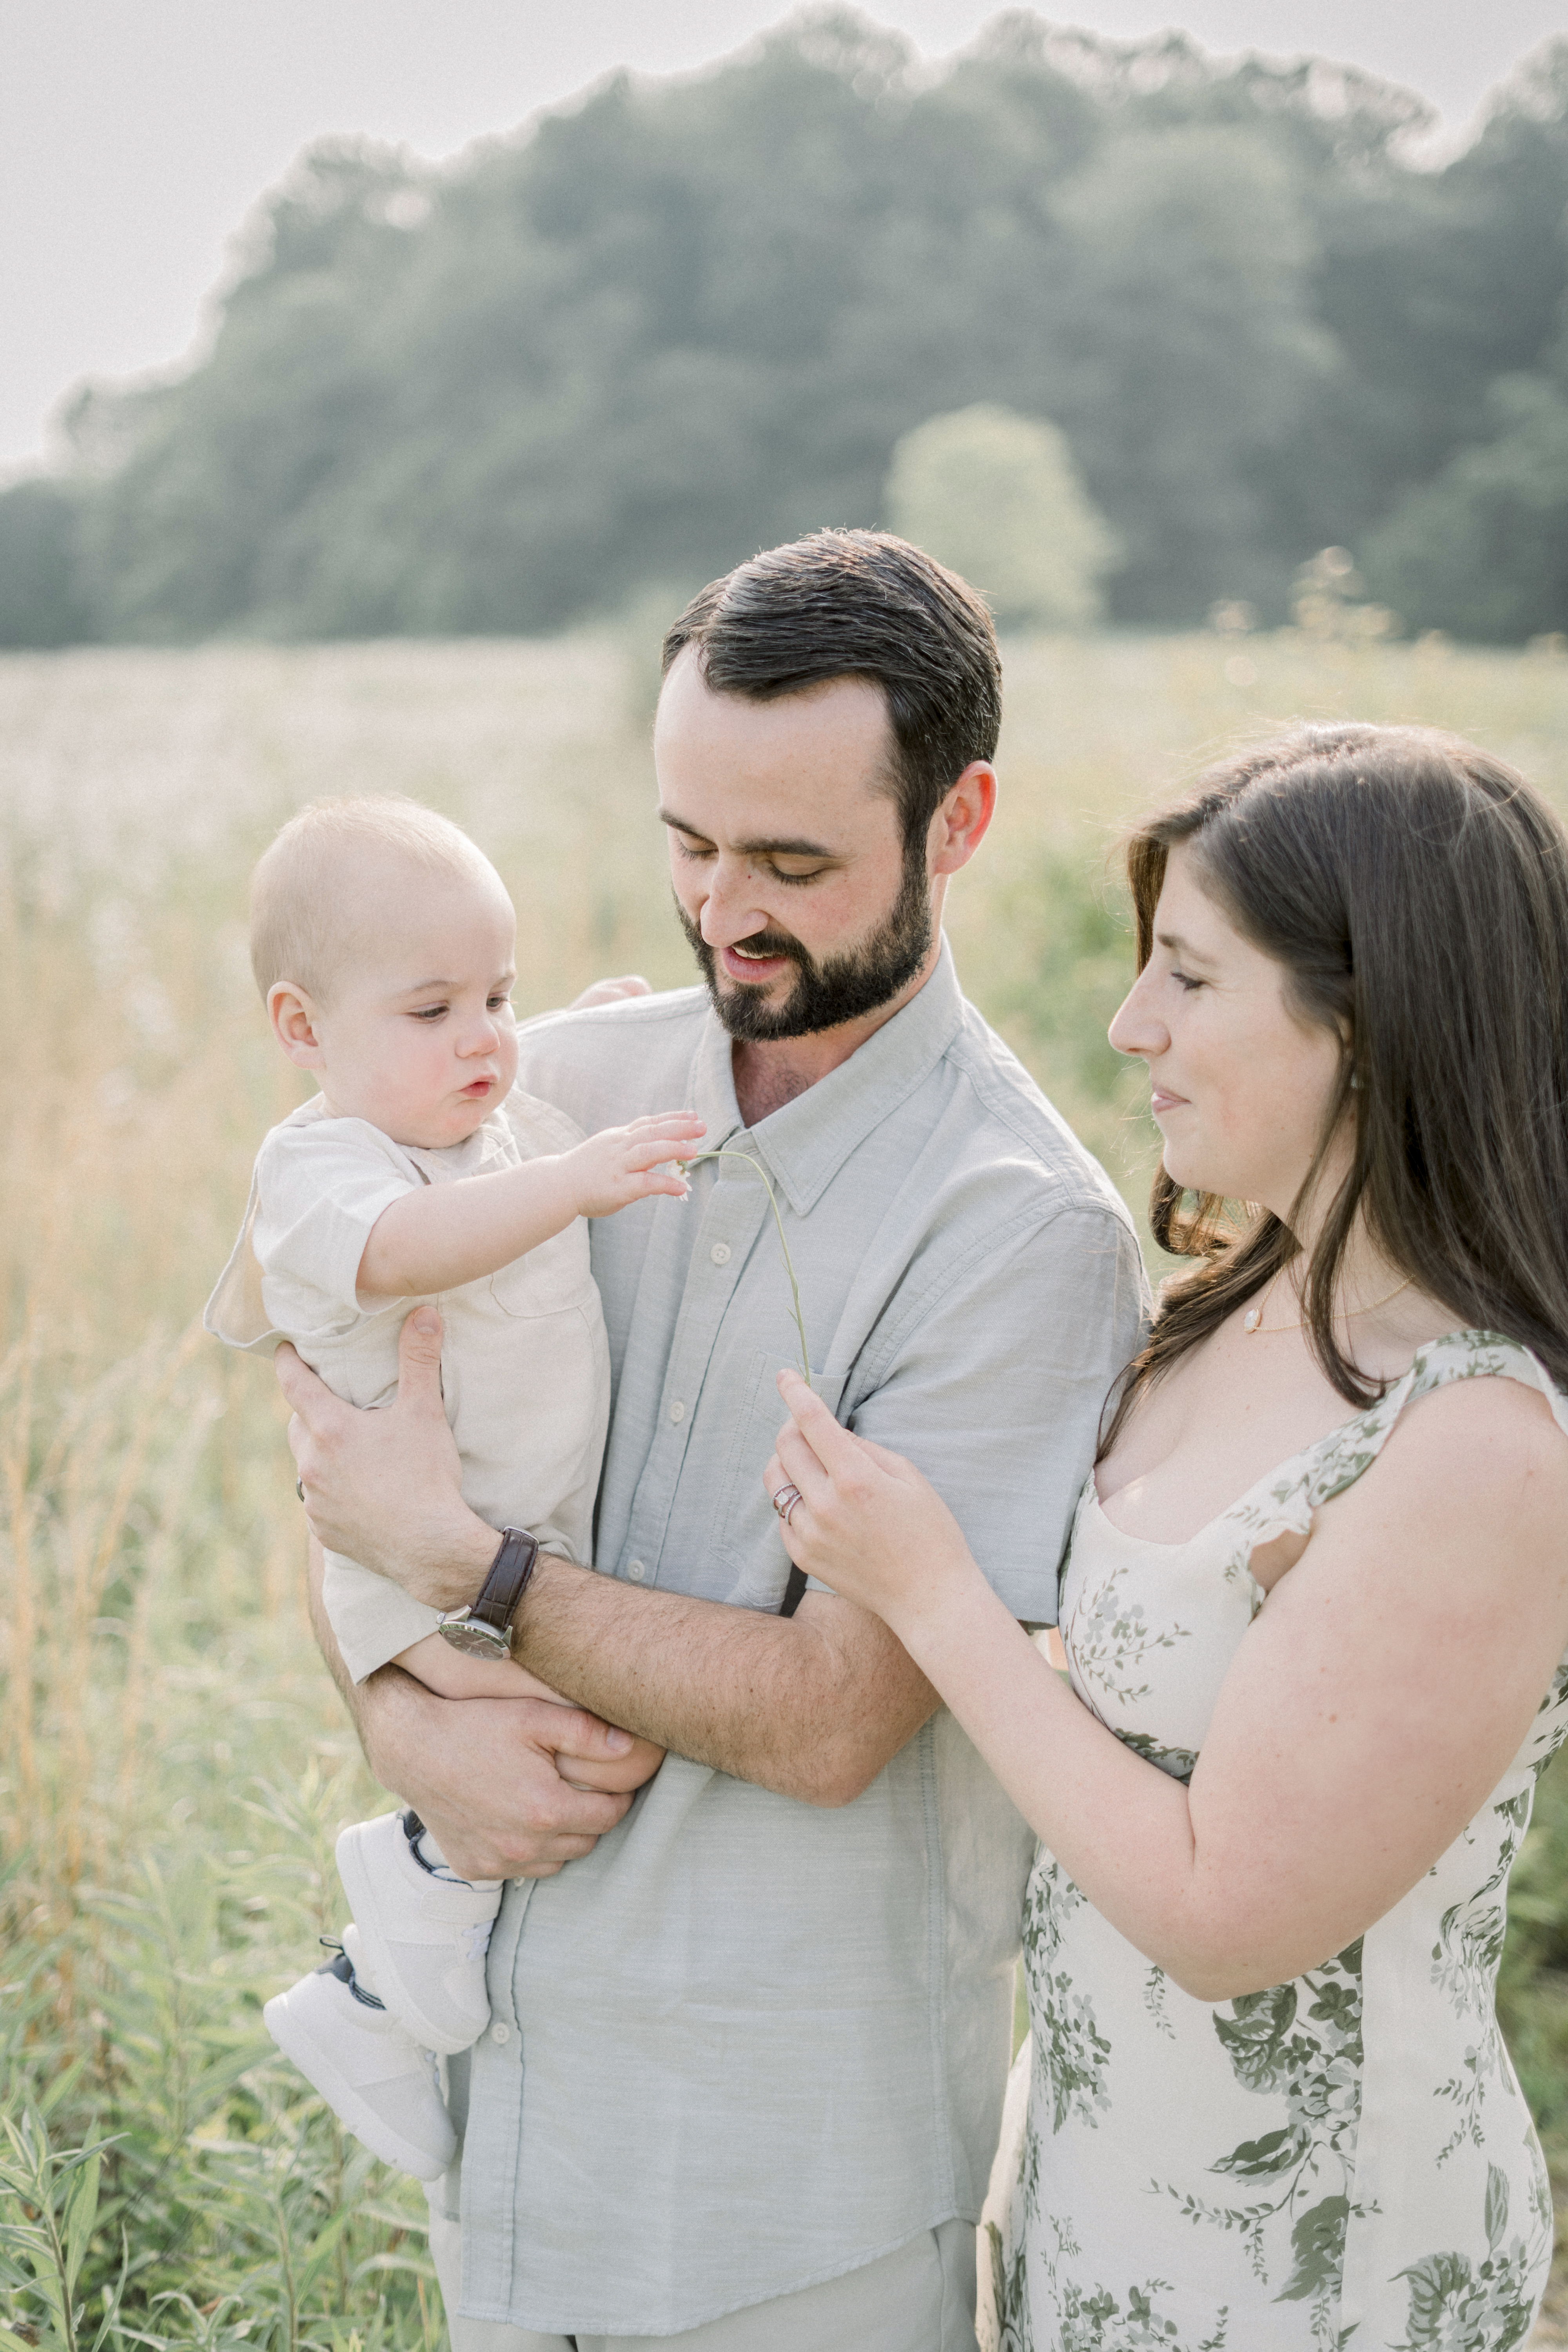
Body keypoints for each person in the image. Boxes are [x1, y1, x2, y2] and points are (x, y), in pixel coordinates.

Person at [277, 530, 1146, 2350]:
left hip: (787, 2208)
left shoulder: (1018, 1232)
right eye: (689, 844)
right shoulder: (557, 1091)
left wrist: (475, 1575)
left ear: (958, 823)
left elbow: (834, 1722)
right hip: (509, 2142)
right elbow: (358, 1463)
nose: (721, 908)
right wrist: (400, 1718)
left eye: (794, 862)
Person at [768, 722, 1568, 2351]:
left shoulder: (1474, 1442)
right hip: (1097, 2195)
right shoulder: (1237, 1299)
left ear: (1364, 1023)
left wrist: (931, 1597)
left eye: (1190, 978)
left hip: (1312, 2274)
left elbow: (1225, 1921)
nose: (1130, 1022)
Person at [207, 796, 691, 2177]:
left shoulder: (485, 1123)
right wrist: (584, 1182)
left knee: (604, 1731)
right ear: (304, 1030)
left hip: (484, 1557)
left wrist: (591, 1028)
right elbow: (416, 1246)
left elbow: (536, 1107)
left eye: (500, 993)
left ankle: (390, 1967)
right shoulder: (321, 1168)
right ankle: (386, 1978)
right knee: (611, 1732)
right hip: (410, 1581)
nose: (483, 1035)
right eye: (433, 1008)